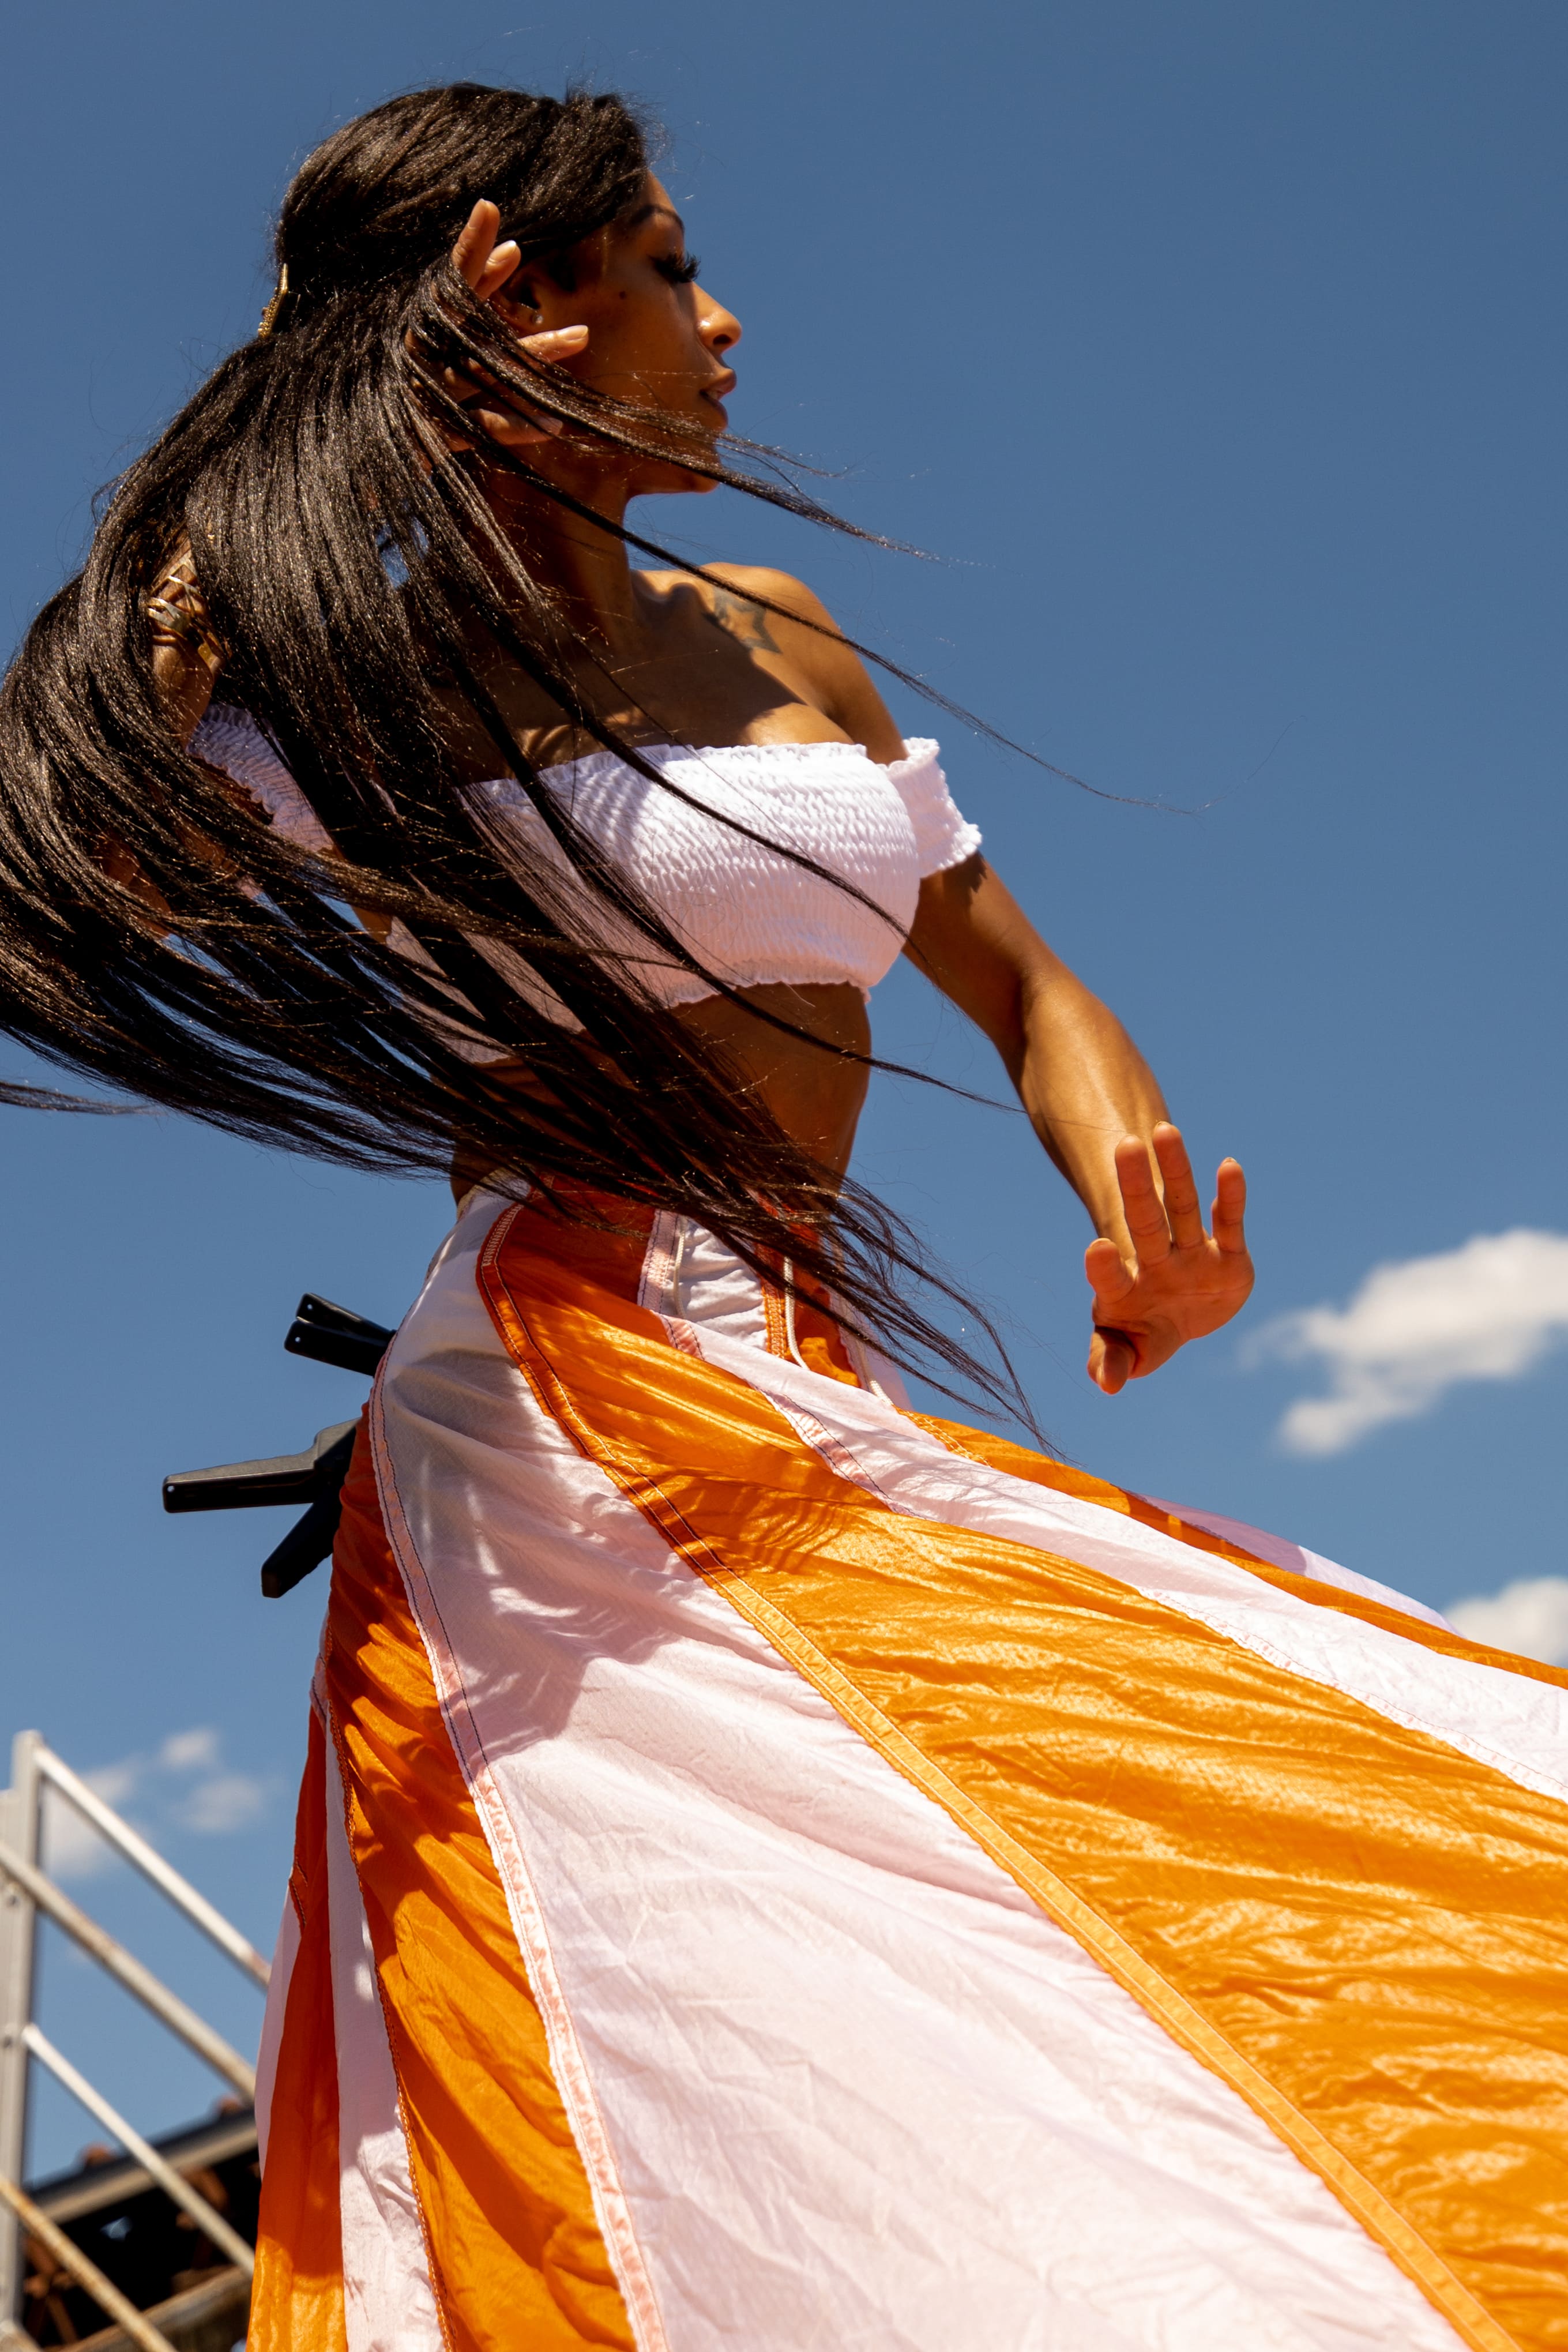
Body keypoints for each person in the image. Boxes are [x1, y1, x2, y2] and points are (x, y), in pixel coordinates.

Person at [2, 82, 1563, 2352]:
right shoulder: (351, 702)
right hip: (554, 1414)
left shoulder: (775, 636)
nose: (725, 326)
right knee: (746, 2042)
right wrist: (230, 501)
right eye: (662, 268)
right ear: (517, 298)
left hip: (782, 1373)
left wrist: (1139, 1211)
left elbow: (1020, 983)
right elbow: (85, 857)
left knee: (1030, 1922)